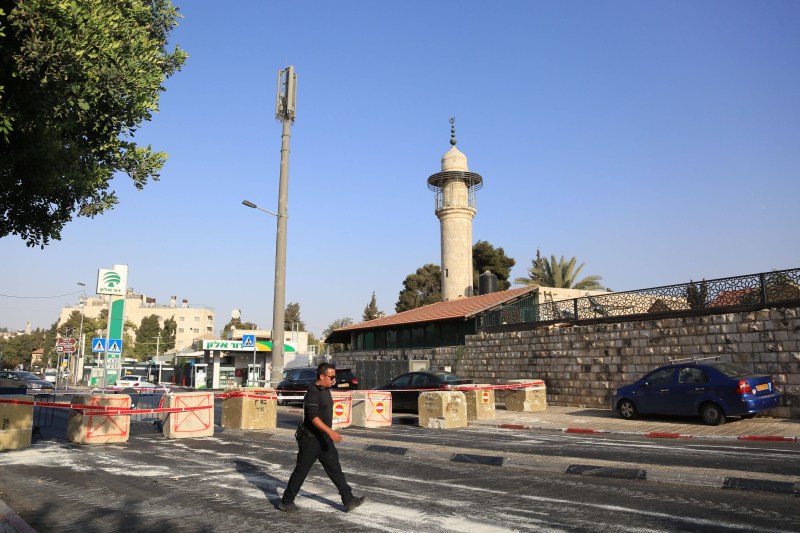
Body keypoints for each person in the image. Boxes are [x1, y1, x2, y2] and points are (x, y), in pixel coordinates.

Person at [279, 363, 365, 513]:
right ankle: (286, 502)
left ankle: (348, 499)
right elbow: (313, 417)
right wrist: (331, 432)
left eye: (334, 377)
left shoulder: (325, 390)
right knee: (301, 471)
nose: (334, 380)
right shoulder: (313, 391)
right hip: (311, 440)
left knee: (335, 469)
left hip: (323, 439)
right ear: (322, 376)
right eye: (331, 377)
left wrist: (328, 434)